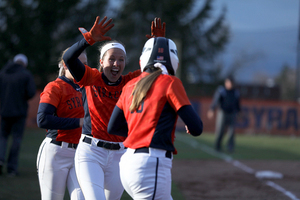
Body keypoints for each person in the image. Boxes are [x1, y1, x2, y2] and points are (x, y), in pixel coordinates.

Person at [63, 16, 165, 200]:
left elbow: (158, 70)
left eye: (121, 60)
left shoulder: (131, 81)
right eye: (111, 59)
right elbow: (68, 58)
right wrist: (89, 39)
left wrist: (157, 45)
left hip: (121, 155)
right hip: (91, 152)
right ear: (101, 62)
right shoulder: (90, 77)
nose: (116, 64)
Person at [107, 37, 203, 199]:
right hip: (151, 163)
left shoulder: (130, 85)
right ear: (173, 60)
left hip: (128, 163)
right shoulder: (170, 82)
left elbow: (113, 127)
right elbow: (196, 128)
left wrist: (139, 131)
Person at [36, 50, 87, 200]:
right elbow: (43, 119)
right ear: (65, 65)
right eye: (78, 64)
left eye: (85, 64)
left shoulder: (87, 87)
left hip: (81, 153)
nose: (82, 68)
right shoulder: (55, 87)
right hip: (56, 151)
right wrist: (78, 122)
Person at [0, 54, 36, 177]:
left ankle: (0, 160)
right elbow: (31, 93)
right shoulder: (25, 74)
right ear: (24, 63)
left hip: (4, 111)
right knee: (16, 139)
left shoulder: (3, 73)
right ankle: (11, 168)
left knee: (2, 137)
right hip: (19, 112)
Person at [207, 76, 241, 153]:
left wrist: (239, 112)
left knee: (231, 131)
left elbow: (237, 104)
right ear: (226, 83)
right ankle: (217, 146)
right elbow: (216, 100)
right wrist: (212, 109)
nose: (230, 84)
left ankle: (230, 147)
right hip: (222, 112)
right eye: (229, 83)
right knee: (220, 130)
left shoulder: (235, 92)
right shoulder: (222, 91)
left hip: (232, 113)